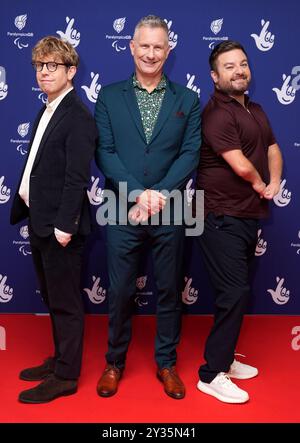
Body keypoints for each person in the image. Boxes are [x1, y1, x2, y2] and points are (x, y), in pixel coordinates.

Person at [94, 15, 201, 399]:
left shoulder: (187, 100)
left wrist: (158, 195)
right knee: (120, 289)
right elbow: (104, 152)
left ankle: (167, 363)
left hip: (170, 206)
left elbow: (190, 154)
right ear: (131, 47)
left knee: (170, 288)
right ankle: (114, 363)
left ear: (168, 50)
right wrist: (138, 193)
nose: (151, 53)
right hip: (122, 206)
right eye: (145, 46)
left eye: (159, 47)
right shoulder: (108, 96)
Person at [10, 36, 98, 403]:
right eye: (39, 66)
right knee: (51, 295)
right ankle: (60, 359)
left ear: (71, 71)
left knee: (65, 301)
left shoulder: (77, 115)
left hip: (60, 228)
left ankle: (65, 376)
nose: (44, 72)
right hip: (40, 220)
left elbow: (77, 177)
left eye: (52, 66)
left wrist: (65, 227)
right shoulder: (47, 108)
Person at [195, 41, 283, 403]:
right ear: (215, 77)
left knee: (235, 292)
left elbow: (272, 149)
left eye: (243, 64)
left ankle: (226, 360)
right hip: (218, 214)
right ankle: (210, 373)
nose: (239, 71)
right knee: (234, 293)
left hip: (246, 214)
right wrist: (262, 184)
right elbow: (240, 163)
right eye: (229, 67)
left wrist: (275, 183)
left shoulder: (257, 109)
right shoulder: (217, 112)